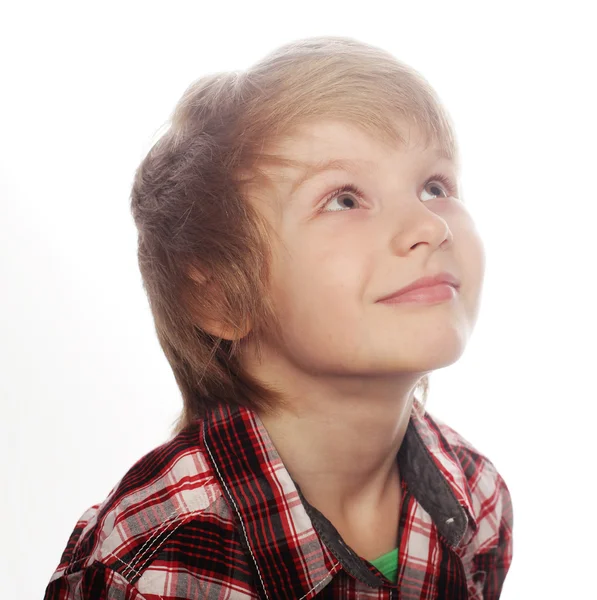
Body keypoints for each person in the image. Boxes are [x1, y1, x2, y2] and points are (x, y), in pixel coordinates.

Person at [44, 36, 513, 599]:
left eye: (435, 186)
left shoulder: (477, 497)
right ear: (218, 297)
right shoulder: (158, 559)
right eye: (344, 198)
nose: (429, 226)